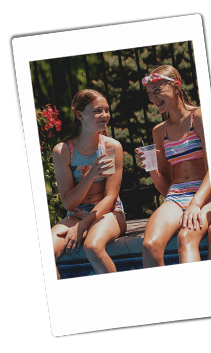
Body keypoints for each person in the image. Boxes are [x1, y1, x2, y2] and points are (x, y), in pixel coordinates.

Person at [135, 65, 211, 267]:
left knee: (186, 237)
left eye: (157, 90)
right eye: (149, 93)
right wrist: (152, 169)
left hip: (207, 196)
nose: (153, 98)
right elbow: (166, 187)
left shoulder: (198, 118)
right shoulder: (159, 132)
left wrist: (196, 204)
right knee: (150, 245)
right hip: (176, 197)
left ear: (176, 86)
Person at [51, 89, 127, 278]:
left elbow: (110, 198)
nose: (104, 115)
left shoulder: (111, 147)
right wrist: (91, 174)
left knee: (92, 247)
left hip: (107, 212)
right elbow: (69, 203)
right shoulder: (63, 151)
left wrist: (83, 226)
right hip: (75, 214)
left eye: (106, 110)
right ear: (80, 115)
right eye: (97, 111)